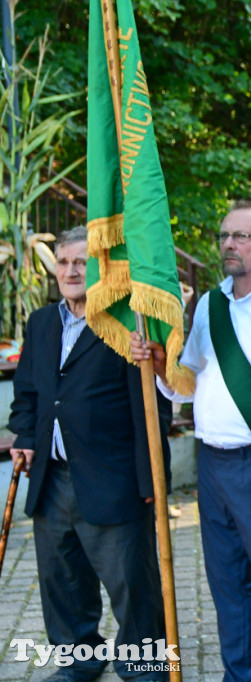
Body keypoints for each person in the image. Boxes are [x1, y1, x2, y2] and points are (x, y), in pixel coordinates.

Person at [132, 200, 251, 682]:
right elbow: (186, 379)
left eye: (242, 237)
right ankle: (239, 675)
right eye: (224, 236)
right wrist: (157, 361)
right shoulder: (213, 303)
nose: (229, 245)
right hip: (211, 465)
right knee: (227, 587)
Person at [9, 226, 171, 681]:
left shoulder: (123, 325)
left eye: (81, 262)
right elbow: (28, 392)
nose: (71, 270)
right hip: (52, 478)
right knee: (61, 581)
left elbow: (148, 409)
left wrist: (148, 482)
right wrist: (23, 434)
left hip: (113, 478)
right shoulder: (41, 323)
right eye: (63, 262)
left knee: (132, 586)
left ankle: (141, 664)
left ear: (99, 268)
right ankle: (78, 659)